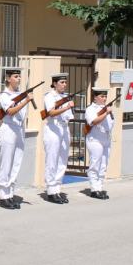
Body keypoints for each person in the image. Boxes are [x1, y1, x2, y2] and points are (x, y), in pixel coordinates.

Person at [0, 67, 34, 210]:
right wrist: (26, 101)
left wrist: (24, 98)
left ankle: (10, 192)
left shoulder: (20, 94)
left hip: (19, 129)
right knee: (6, 162)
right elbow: (10, 111)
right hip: (8, 128)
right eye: (16, 76)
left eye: (19, 76)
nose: (18, 79)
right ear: (8, 78)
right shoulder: (4, 95)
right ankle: (3, 195)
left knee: (16, 162)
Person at [42, 72, 74, 204]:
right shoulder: (50, 96)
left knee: (62, 159)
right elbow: (51, 112)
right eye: (62, 82)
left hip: (64, 128)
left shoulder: (65, 96)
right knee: (52, 159)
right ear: (55, 84)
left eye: (65, 82)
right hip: (53, 129)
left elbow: (68, 115)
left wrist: (68, 107)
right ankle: (50, 190)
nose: (64, 85)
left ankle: (57, 188)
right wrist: (66, 106)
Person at [85, 87, 114, 200]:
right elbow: (93, 121)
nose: (104, 98)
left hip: (106, 138)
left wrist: (107, 112)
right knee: (95, 164)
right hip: (95, 139)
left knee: (103, 165)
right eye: (102, 96)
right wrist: (106, 113)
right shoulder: (91, 109)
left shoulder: (106, 109)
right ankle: (94, 189)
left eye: (105, 96)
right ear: (95, 97)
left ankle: (100, 187)